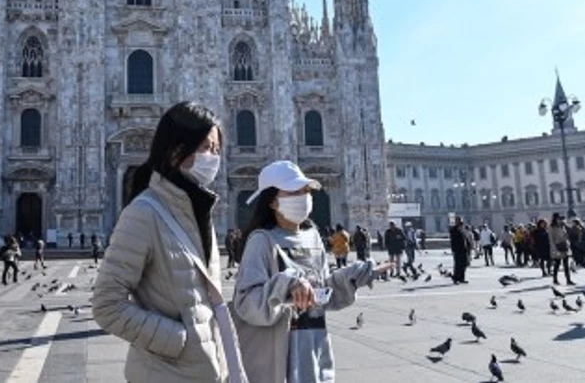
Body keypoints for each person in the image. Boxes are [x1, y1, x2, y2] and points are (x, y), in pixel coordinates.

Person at [92, 101, 237, 382]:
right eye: (206, 148)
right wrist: (178, 341)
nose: (213, 158)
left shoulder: (198, 213)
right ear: (175, 150)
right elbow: (106, 305)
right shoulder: (143, 213)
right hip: (165, 371)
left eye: (217, 150)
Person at [232, 160, 383, 382]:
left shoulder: (312, 237)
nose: (304, 197)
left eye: (306, 191)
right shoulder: (261, 241)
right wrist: (286, 284)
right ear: (272, 201)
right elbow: (246, 304)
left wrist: (349, 278)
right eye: (294, 192)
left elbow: (319, 297)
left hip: (313, 348)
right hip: (277, 355)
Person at [548, 214, 573, 285]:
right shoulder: (552, 227)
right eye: (558, 219)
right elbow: (551, 239)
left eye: (561, 219)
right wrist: (554, 249)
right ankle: (555, 279)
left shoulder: (562, 226)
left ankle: (568, 280)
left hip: (564, 246)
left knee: (566, 264)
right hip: (557, 247)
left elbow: (566, 235)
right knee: (557, 264)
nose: (560, 220)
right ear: (555, 219)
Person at [449, 216, 471, 284]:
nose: (461, 224)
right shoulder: (453, 230)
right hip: (457, 250)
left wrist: (469, 246)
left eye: (461, 223)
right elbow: (453, 241)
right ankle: (455, 278)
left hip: (464, 249)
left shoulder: (462, 230)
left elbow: (466, 239)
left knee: (464, 264)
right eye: (460, 223)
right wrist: (453, 250)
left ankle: (461, 278)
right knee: (458, 265)